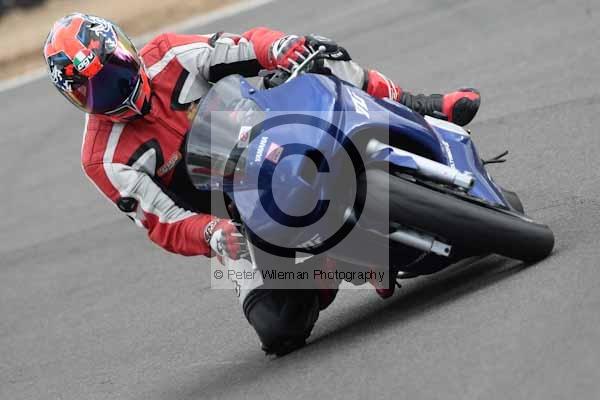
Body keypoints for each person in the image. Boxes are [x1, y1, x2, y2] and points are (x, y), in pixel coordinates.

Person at [44, 13, 481, 355]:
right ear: (74, 98)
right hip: (231, 215)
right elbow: (162, 221)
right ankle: (341, 264)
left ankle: (420, 105)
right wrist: (211, 234)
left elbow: (240, 46)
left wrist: (278, 47)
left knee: (316, 56)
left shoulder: (169, 53)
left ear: (123, 48)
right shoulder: (103, 157)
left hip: (272, 132)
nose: (114, 91)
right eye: (93, 92)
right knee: (278, 328)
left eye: (115, 72)